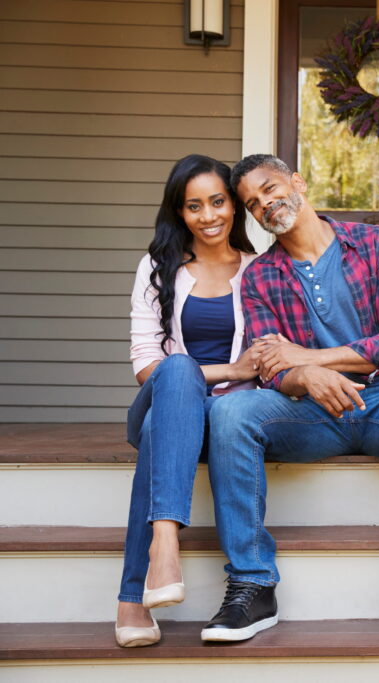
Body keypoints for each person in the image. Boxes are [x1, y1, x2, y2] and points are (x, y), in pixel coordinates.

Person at [199, 154, 379, 644]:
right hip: (308, 415)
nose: (266, 204)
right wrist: (304, 375)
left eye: (271, 188)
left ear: (297, 182)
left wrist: (311, 359)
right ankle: (252, 585)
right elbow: (271, 369)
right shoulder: (261, 276)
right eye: (252, 203)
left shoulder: (374, 243)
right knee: (230, 410)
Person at [115, 154, 259, 647]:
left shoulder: (260, 272)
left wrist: (240, 380)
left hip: (225, 414)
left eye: (218, 202)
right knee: (176, 371)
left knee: (163, 433)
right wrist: (230, 370)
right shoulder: (157, 268)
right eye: (193, 206)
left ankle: (136, 595)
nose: (209, 215)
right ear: (179, 213)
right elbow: (145, 366)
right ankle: (166, 547)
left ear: (234, 206)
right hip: (163, 398)